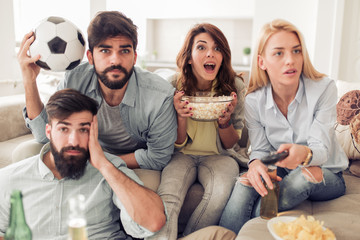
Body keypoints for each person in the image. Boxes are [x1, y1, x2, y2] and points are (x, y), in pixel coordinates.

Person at [219, 19, 349, 233]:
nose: (291, 60)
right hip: (280, 169)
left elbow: (322, 150)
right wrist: (255, 166)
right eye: (279, 53)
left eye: (296, 51)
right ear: (262, 62)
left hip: (327, 171)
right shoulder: (254, 100)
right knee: (246, 182)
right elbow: (260, 150)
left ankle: (252, 224)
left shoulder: (324, 89)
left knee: (302, 177)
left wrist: (304, 155)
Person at [17, 11, 177, 170]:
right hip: (86, 154)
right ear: (91, 57)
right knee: (25, 152)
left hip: (129, 161)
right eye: (105, 50)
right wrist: (29, 81)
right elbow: (45, 135)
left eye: (125, 51)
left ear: (135, 57)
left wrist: (99, 161)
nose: (115, 60)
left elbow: (157, 158)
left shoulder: (160, 96)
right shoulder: (74, 79)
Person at [0, 88, 166, 239]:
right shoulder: (9, 180)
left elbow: (153, 221)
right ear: (48, 132)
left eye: (83, 130)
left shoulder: (109, 169)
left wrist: (103, 165)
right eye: (64, 129)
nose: (74, 141)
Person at [149, 23, 246, 240]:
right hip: (181, 155)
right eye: (201, 47)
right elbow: (175, 142)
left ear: (222, 57)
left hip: (220, 157)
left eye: (217, 48)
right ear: (190, 56)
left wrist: (224, 122)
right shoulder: (173, 85)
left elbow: (231, 144)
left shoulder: (234, 87)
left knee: (220, 192)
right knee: (169, 196)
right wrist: (180, 117)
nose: (210, 53)